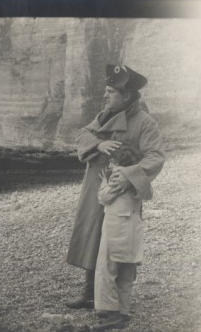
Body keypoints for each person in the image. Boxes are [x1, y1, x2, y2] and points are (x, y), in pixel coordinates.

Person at [65, 64, 165, 310]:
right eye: (106, 90)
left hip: (123, 191)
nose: (105, 95)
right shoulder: (104, 115)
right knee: (93, 236)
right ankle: (90, 294)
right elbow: (81, 134)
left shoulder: (145, 122)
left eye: (111, 91)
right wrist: (98, 144)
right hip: (95, 186)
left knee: (120, 242)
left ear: (127, 95)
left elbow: (155, 156)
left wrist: (128, 176)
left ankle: (118, 304)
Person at [92, 143, 146, 331]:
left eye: (112, 161)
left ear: (116, 161)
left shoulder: (118, 174)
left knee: (107, 268)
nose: (110, 165)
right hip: (134, 227)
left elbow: (104, 197)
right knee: (126, 272)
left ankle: (112, 313)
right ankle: (123, 311)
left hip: (117, 227)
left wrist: (104, 182)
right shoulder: (139, 175)